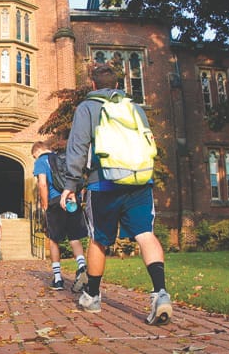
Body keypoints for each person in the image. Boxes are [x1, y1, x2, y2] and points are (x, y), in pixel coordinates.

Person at [59, 63, 173, 325]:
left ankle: (93, 295)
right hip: (139, 181)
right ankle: (160, 293)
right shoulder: (133, 107)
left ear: (93, 85)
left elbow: (77, 148)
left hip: (104, 183)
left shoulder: (87, 107)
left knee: (98, 240)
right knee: (146, 234)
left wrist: (71, 184)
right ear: (118, 86)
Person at [31, 140, 88, 291]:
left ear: (36, 152)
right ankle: (82, 267)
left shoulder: (41, 161)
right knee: (74, 237)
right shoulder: (64, 158)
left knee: (53, 239)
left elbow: (42, 184)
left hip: (55, 201)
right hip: (71, 199)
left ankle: (57, 278)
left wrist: (44, 205)